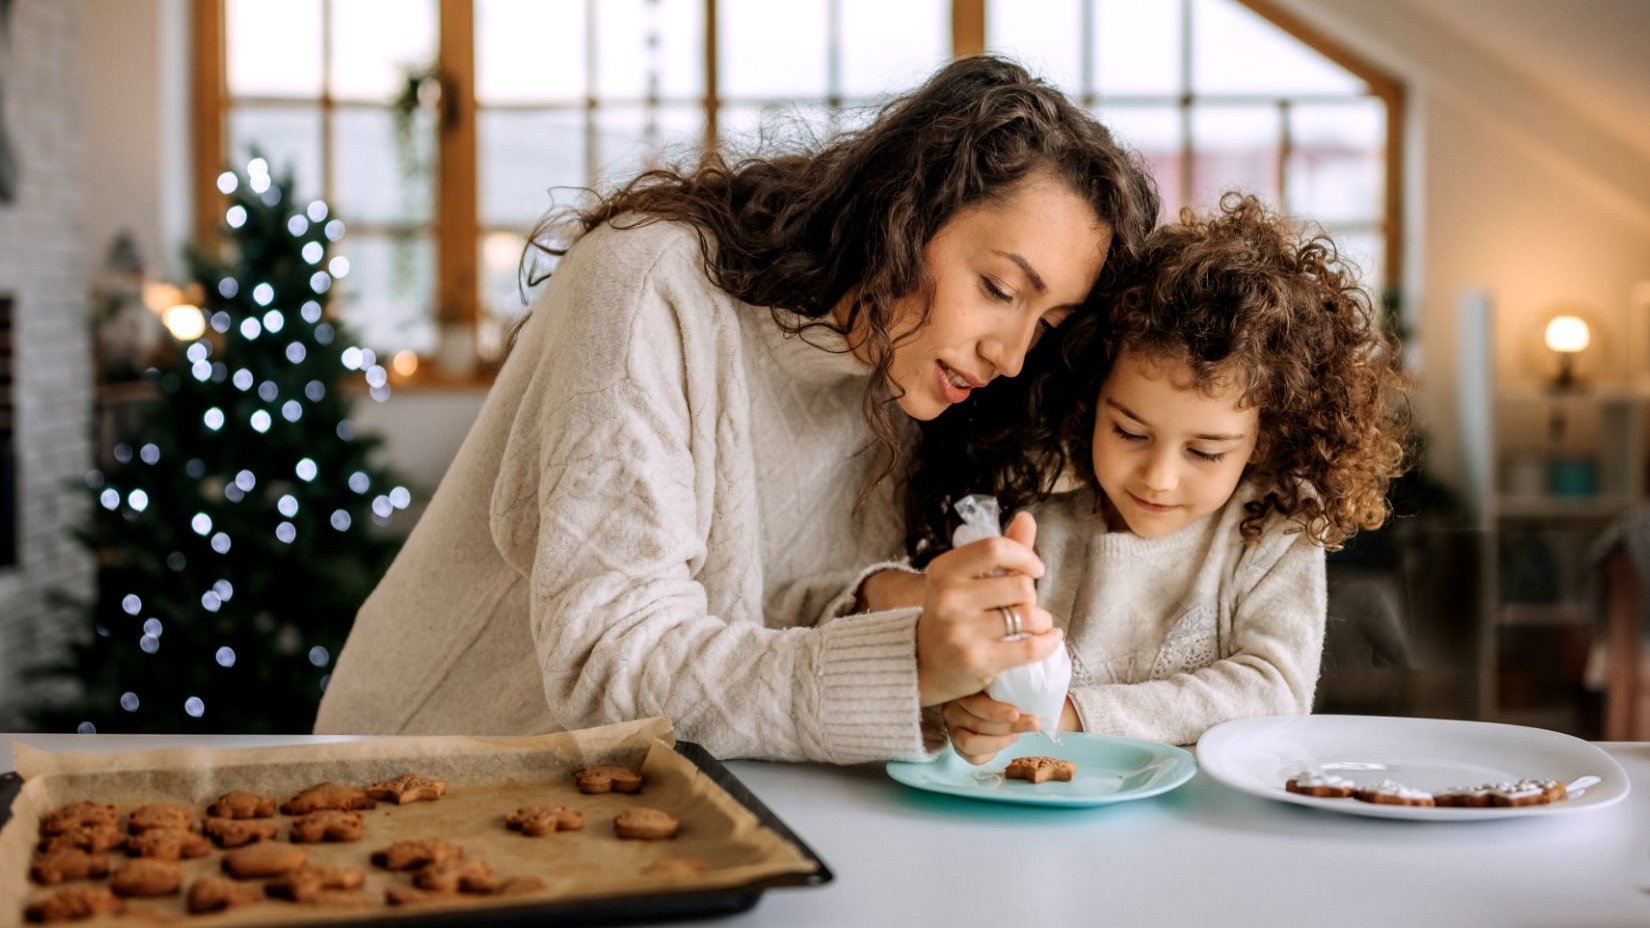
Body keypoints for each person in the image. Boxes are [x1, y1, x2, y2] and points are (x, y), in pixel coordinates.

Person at [313, 55, 1160, 763]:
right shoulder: (649, 284)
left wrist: (910, 618)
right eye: (999, 289)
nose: (1010, 355)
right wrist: (904, 666)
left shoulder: (906, 375)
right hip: (419, 769)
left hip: (641, 796)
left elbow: (768, 607)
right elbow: (611, 660)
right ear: (905, 211)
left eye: (1045, 323)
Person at [935, 194, 1410, 761]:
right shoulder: (1039, 512)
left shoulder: (1276, 528)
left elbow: (1274, 690)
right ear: (1090, 400)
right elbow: (975, 667)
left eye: (1205, 452)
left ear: (1266, 438)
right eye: (1129, 433)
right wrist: (971, 709)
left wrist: (1077, 714)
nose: (1158, 478)